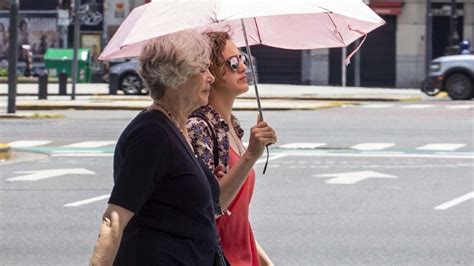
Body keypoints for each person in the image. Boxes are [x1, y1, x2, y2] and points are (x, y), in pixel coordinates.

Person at [89, 29, 225, 265]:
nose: (211, 77)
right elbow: (114, 218)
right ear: (177, 76)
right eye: (202, 69)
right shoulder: (151, 134)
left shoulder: (176, 127)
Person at [187, 31, 277, 266]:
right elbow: (209, 208)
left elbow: (238, 219)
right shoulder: (199, 128)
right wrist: (250, 156)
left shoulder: (231, 127)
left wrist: (265, 261)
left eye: (243, 58)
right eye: (233, 62)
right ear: (212, 73)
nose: (243, 66)